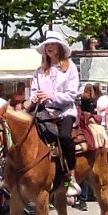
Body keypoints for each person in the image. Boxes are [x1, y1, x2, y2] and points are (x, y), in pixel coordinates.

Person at [26, 31, 81, 179]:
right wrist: (35, 97)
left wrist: (51, 96)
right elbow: (33, 92)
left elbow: (71, 95)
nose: (48, 47)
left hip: (64, 111)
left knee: (64, 137)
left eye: (52, 44)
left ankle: (70, 175)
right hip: (43, 111)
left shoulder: (70, 68)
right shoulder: (39, 71)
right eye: (47, 45)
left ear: (59, 47)